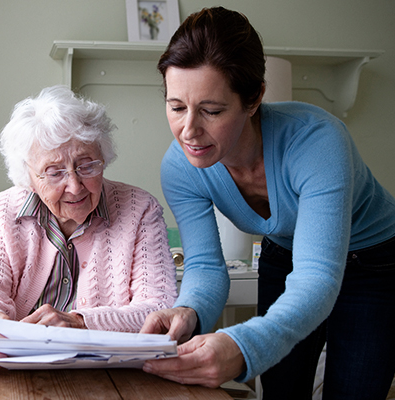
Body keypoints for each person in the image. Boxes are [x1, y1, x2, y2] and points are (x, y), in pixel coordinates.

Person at [139, 6, 395, 400]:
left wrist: (243, 345)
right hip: (285, 253)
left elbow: (318, 277)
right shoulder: (180, 168)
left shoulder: (318, 142)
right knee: (279, 389)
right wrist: (187, 309)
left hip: (376, 262)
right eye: (176, 107)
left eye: (212, 110)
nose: (188, 131)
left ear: (255, 97)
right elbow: (206, 266)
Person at [0, 85, 178, 371]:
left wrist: (79, 323)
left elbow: (159, 309)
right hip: (12, 370)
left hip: (105, 376)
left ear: (104, 159)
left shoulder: (140, 209)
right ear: (29, 177)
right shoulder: (6, 209)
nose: (74, 186)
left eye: (87, 166)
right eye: (54, 172)